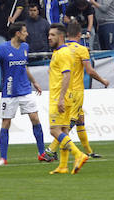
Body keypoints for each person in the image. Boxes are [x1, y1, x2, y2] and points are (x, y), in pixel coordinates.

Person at [0, 21, 51, 166]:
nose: (27, 34)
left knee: (35, 118)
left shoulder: (25, 47)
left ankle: (41, 153)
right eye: (24, 31)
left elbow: (24, 66)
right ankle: (3, 158)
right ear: (18, 33)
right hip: (9, 92)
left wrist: (34, 82)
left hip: (25, 90)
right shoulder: (2, 49)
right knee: (6, 123)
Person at [45, 21, 109, 162]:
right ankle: (50, 150)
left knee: (80, 121)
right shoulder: (81, 49)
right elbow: (90, 71)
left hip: (65, 90)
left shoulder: (61, 49)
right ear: (79, 34)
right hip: (75, 92)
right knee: (67, 124)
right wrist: (103, 81)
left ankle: (89, 152)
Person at [46, 24, 89, 175]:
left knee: (54, 130)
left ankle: (78, 154)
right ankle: (63, 166)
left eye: (52, 35)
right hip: (66, 96)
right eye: (49, 35)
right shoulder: (60, 52)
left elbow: (67, 75)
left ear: (61, 36)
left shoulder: (63, 53)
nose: (49, 37)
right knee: (64, 130)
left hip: (59, 96)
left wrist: (61, 99)